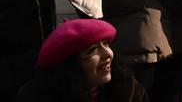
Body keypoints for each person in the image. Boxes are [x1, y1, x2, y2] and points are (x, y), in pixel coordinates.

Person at [16, 19, 149, 102]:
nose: (108, 54)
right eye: (92, 50)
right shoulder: (37, 96)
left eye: (106, 44)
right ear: (70, 65)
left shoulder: (127, 90)